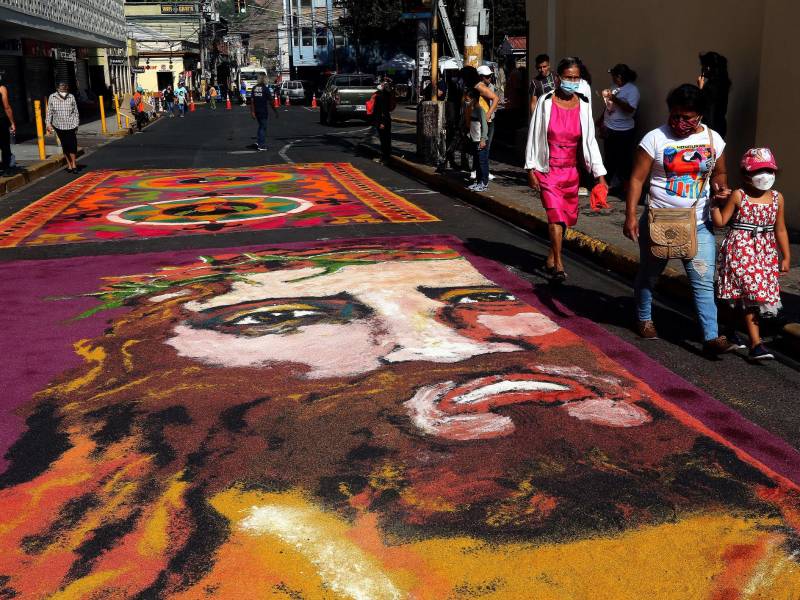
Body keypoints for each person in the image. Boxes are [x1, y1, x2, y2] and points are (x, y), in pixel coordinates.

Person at [623, 83, 735, 355]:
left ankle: (711, 336)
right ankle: (644, 318)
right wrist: (630, 216)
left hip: (699, 223)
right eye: (675, 115)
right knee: (650, 275)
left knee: (703, 280)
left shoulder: (713, 139)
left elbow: (719, 174)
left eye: (687, 117)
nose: (680, 122)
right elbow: (637, 179)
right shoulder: (655, 139)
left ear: (699, 116)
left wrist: (721, 190)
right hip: (660, 221)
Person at [525, 56, 608, 283]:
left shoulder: (583, 105)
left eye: (576, 78)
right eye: (568, 77)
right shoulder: (545, 102)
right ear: (558, 78)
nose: (572, 81)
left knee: (566, 218)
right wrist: (530, 167)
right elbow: (535, 135)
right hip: (549, 168)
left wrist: (600, 176)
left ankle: (552, 254)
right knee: (554, 214)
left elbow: (590, 142)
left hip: (571, 170)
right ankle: (559, 265)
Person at [712, 148, 790, 361]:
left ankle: (728, 330)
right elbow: (721, 222)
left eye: (768, 169)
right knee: (751, 294)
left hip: (765, 252)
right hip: (740, 249)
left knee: (741, 296)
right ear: (746, 175)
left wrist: (786, 257)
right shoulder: (739, 195)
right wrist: (714, 205)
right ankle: (756, 344)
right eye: (758, 170)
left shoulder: (777, 198)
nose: (764, 175)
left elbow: (780, 228)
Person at [600, 64, 640, 195]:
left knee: (624, 158)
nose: (612, 78)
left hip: (624, 130)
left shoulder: (632, 90)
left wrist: (615, 99)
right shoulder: (614, 88)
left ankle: (627, 186)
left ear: (620, 77)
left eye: (613, 76)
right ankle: (609, 183)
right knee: (609, 157)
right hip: (610, 126)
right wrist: (601, 120)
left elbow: (630, 109)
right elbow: (608, 106)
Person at [45, 82, 80, 174]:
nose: (63, 91)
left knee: (72, 145)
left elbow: (75, 112)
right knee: (65, 145)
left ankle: (74, 164)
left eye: (65, 89)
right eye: (61, 89)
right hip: (59, 125)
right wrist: (48, 124)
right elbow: (49, 112)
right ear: (57, 89)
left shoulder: (71, 97)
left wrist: (76, 124)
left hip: (71, 125)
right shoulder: (52, 97)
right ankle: (69, 164)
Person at [697, 51, 731, 138]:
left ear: (708, 67)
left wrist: (700, 88)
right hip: (720, 126)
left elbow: (707, 108)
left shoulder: (712, 87)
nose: (702, 69)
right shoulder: (722, 83)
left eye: (703, 66)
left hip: (711, 127)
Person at [466, 87, 489, 192]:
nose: (467, 102)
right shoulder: (472, 109)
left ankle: (484, 182)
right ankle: (479, 181)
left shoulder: (480, 110)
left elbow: (484, 126)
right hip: (474, 140)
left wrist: (483, 139)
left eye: (468, 100)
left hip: (480, 141)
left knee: (482, 162)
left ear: (474, 99)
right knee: (477, 162)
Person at [249, 73, 278, 151]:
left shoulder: (254, 88)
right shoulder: (265, 89)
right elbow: (271, 101)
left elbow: (251, 101)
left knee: (260, 126)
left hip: (256, 110)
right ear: (265, 80)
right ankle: (261, 145)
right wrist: (275, 111)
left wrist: (252, 112)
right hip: (263, 111)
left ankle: (259, 142)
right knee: (263, 127)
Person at [373, 77, 395, 163]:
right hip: (386, 119)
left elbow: (382, 110)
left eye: (382, 84)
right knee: (386, 138)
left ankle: (385, 157)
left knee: (384, 139)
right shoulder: (387, 95)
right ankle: (386, 156)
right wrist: (390, 81)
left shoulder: (381, 97)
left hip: (383, 120)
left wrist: (382, 122)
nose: (381, 84)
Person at [0, 71, 16, 177]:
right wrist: (12, 122)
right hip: (0, 120)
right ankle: (6, 169)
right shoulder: (1, 88)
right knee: (4, 145)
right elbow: (6, 107)